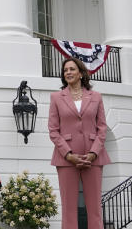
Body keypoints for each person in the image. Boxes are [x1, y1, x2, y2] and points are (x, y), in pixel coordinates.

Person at [48, 57, 109, 229]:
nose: (68, 72)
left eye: (72, 69)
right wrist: (68, 154)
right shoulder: (56, 98)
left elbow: (102, 128)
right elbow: (53, 130)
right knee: (68, 208)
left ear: (81, 73)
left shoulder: (96, 97)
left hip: (94, 158)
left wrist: (93, 152)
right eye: (66, 70)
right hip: (66, 158)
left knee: (95, 207)